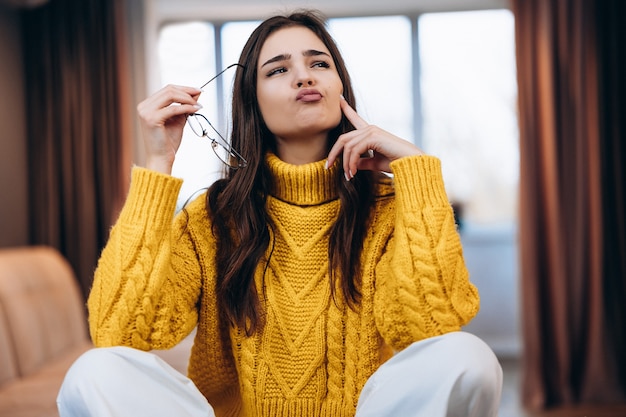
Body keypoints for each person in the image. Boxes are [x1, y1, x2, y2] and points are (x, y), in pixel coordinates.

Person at [57, 9, 502, 417]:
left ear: (339, 85)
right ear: (252, 100)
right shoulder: (211, 218)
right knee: (93, 373)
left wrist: (415, 168)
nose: (304, 77)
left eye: (319, 63)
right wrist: (159, 161)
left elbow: (432, 324)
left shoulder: (387, 207)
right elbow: (120, 331)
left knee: (469, 357)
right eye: (279, 69)